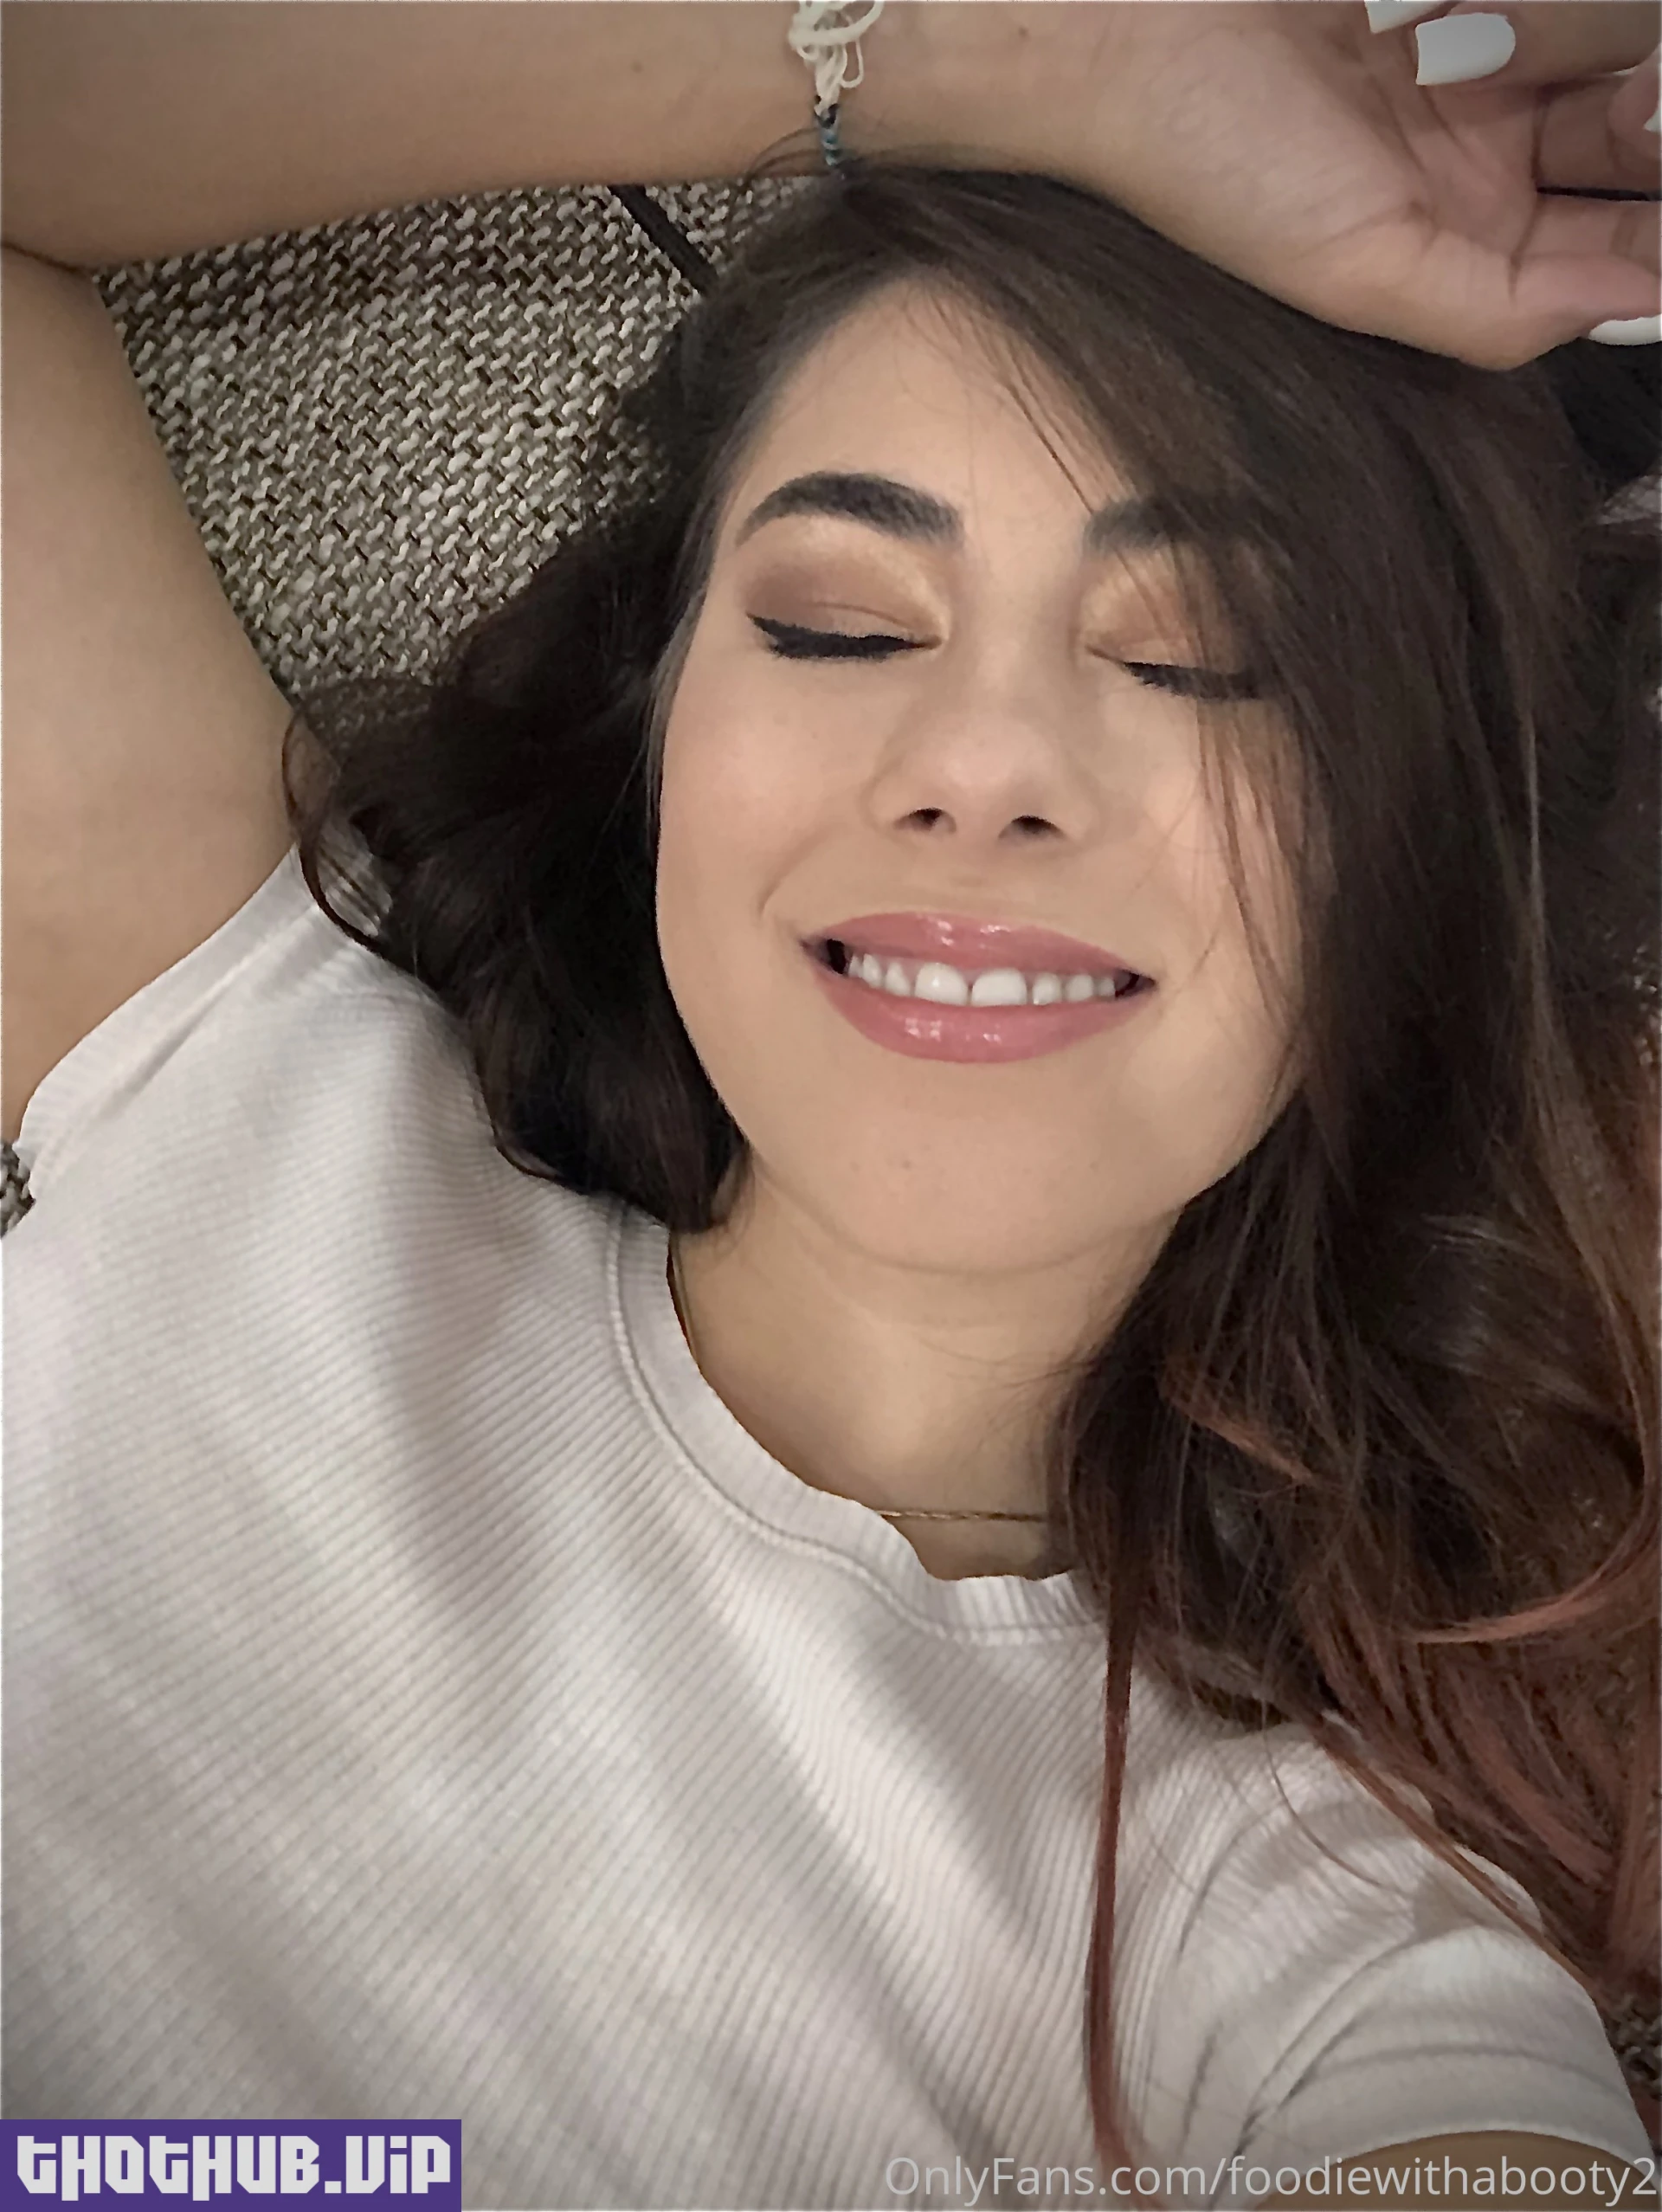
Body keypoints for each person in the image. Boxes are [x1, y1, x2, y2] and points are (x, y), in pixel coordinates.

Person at [4, 6, 1658, 2208]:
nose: (979, 761)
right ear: (661, 736)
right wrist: (999, 56)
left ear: (1415, 864)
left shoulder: (1318, 1961)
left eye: (1202, 656)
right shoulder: (252, 1073)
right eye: (842, 621)